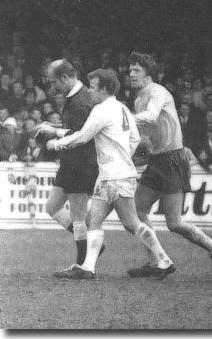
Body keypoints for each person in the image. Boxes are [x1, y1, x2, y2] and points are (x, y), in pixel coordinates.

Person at [44, 69, 174, 279]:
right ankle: (88, 267)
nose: (90, 92)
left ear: (104, 89)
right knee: (94, 221)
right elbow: (134, 138)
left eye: (93, 88)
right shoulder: (122, 108)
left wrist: (56, 143)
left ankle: (163, 260)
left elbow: (82, 137)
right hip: (112, 175)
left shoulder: (101, 110)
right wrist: (124, 157)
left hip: (115, 177)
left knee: (132, 223)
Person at [126, 52, 212, 277]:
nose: (131, 74)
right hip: (157, 160)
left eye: (136, 70)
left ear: (148, 74)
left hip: (172, 160)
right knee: (137, 210)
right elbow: (145, 134)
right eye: (130, 70)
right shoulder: (139, 98)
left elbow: (150, 117)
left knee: (174, 222)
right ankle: (155, 262)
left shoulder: (157, 92)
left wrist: (122, 118)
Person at [33, 60, 100, 275]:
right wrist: (51, 127)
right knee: (52, 207)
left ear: (64, 78)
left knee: (79, 216)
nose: (53, 87)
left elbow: (81, 136)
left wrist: (54, 136)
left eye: (54, 82)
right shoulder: (75, 98)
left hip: (81, 163)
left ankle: (81, 264)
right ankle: (90, 247)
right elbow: (73, 128)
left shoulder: (81, 101)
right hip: (70, 162)